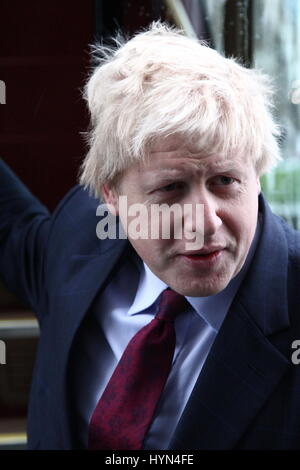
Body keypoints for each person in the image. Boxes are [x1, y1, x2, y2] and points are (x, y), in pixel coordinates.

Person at [1, 21, 300, 450]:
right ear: (112, 197)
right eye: (170, 188)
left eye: (225, 181)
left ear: (257, 175)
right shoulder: (79, 238)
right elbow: (14, 231)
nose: (204, 222)